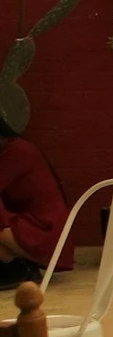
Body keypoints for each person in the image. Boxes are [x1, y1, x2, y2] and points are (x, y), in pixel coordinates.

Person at [0, 120, 71, 282]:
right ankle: (15, 264)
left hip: (44, 229)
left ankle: (17, 265)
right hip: (27, 223)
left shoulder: (18, 150)